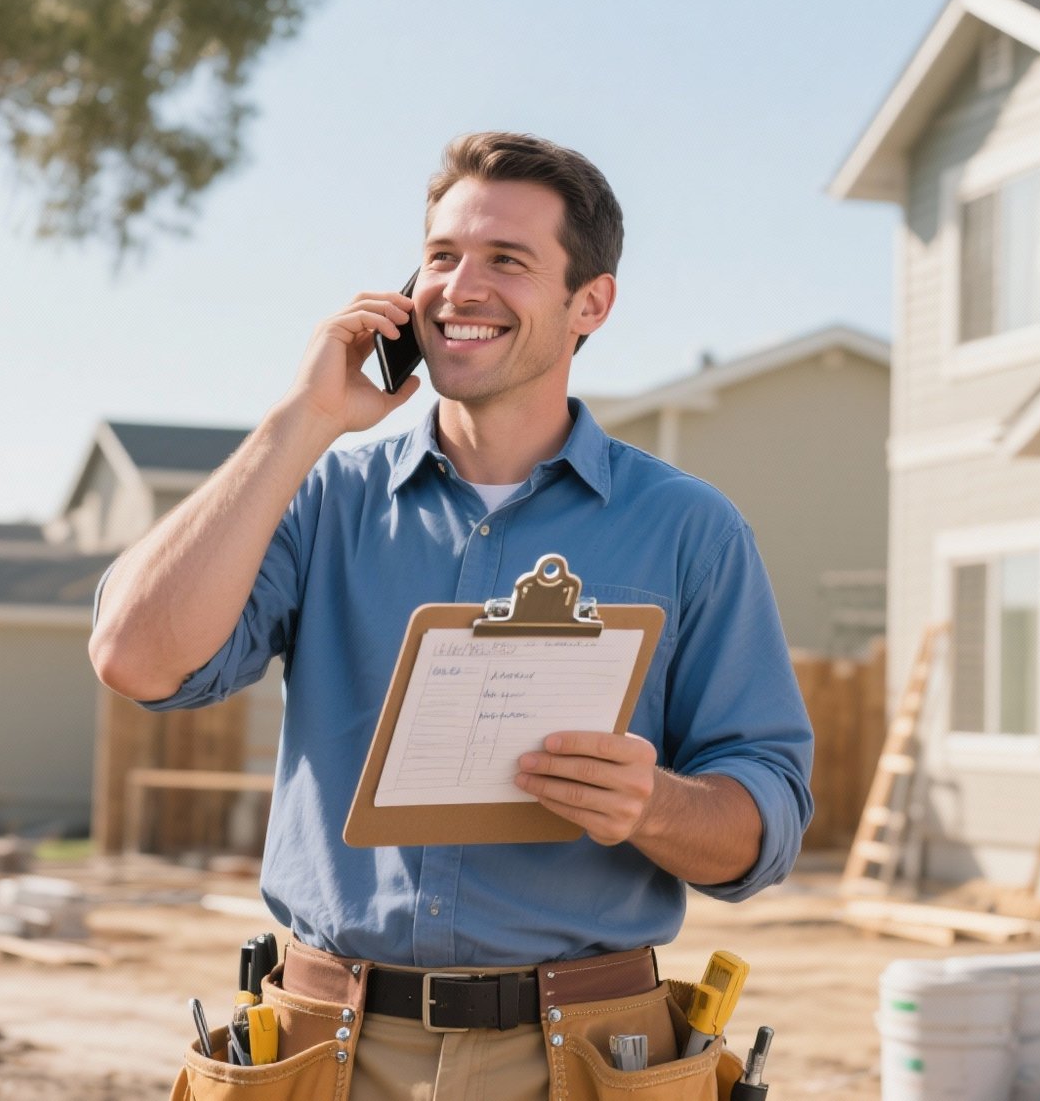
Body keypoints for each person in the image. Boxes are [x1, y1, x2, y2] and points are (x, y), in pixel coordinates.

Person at [89, 131, 813, 1101]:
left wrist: (652, 806)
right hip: (323, 1049)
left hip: (590, 1060)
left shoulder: (689, 530)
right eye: (439, 257)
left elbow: (763, 822)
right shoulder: (319, 500)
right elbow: (133, 657)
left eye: (506, 261)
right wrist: (302, 419)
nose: (456, 288)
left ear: (588, 302)